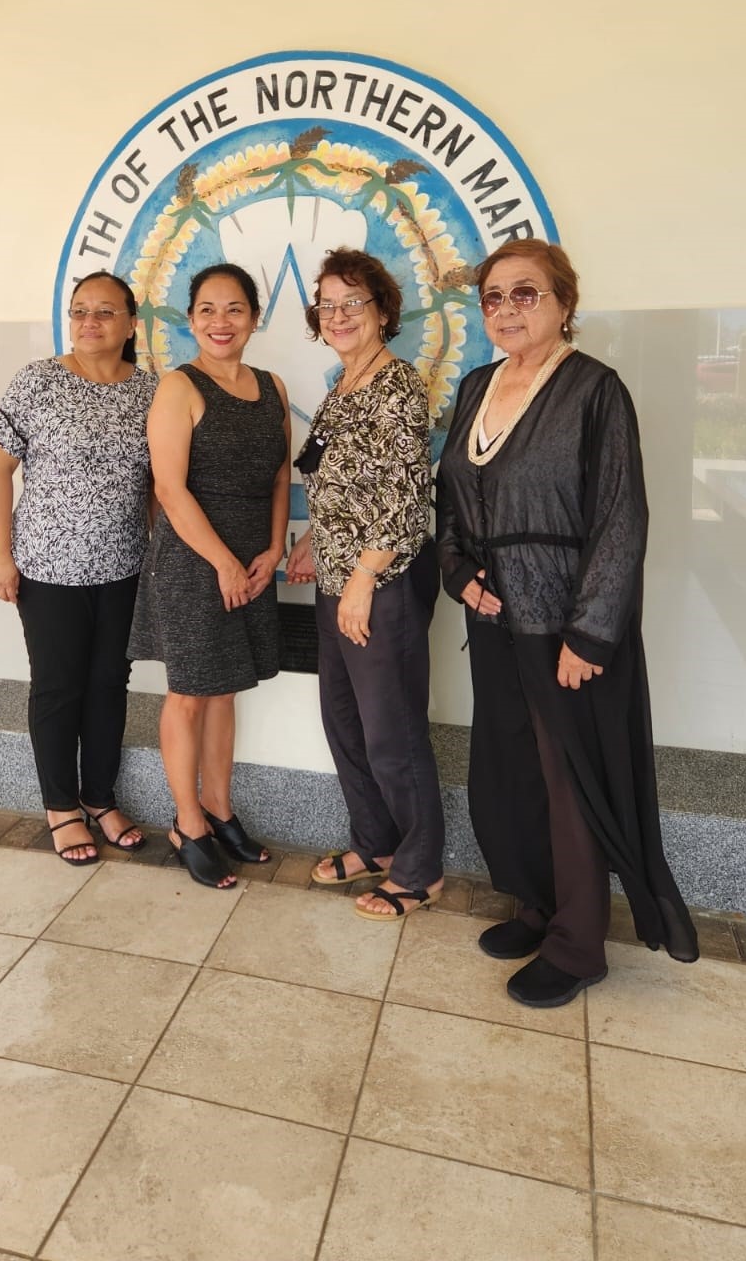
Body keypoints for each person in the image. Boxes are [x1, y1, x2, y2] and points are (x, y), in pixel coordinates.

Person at [436, 237, 698, 1008]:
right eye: (493, 296)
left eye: (526, 293)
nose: (508, 308)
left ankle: (580, 945)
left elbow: (622, 519)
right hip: (492, 617)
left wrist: (591, 634)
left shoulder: (594, 392)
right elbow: (450, 498)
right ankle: (536, 906)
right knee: (510, 769)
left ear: (563, 303)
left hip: (563, 626)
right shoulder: (477, 385)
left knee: (568, 783)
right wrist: (457, 573)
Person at [286, 248, 444, 921]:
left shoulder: (397, 385)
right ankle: (375, 843)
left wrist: (361, 581)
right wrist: (310, 539)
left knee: (392, 731)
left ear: (383, 310)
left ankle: (420, 868)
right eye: (328, 303)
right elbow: (342, 485)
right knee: (345, 722)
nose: (340, 315)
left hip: (382, 583)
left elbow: (404, 500)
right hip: (336, 577)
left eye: (354, 302)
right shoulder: (342, 385)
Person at [0, 271, 156, 864]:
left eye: (105, 312)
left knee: (110, 685)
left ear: (132, 323)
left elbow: (158, 485)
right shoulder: (38, 381)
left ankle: (100, 798)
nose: (89, 322)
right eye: (80, 310)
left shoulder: (150, 390)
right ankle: (61, 807)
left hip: (125, 567)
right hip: (47, 569)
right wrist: (0, 555)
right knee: (59, 688)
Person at [129, 262, 290, 889]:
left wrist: (274, 548)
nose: (220, 322)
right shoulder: (178, 386)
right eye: (207, 310)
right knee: (191, 692)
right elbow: (168, 488)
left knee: (226, 688)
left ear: (253, 317)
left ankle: (221, 810)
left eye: (234, 309)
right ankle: (188, 823)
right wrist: (223, 561)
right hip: (195, 563)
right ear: (191, 318)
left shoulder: (272, 385)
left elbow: (280, 475)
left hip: (252, 559)